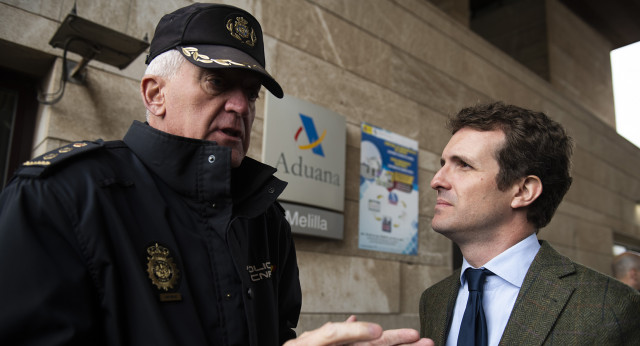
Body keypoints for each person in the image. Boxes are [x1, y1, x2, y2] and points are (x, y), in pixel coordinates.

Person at [0, 3, 431, 346]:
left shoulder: (264, 218)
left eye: (251, 93)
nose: (241, 107)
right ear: (155, 94)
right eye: (217, 83)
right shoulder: (61, 197)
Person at [419, 102, 640, 345]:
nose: (436, 181)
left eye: (463, 165)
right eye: (443, 164)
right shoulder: (434, 300)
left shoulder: (610, 307)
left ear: (523, 191)